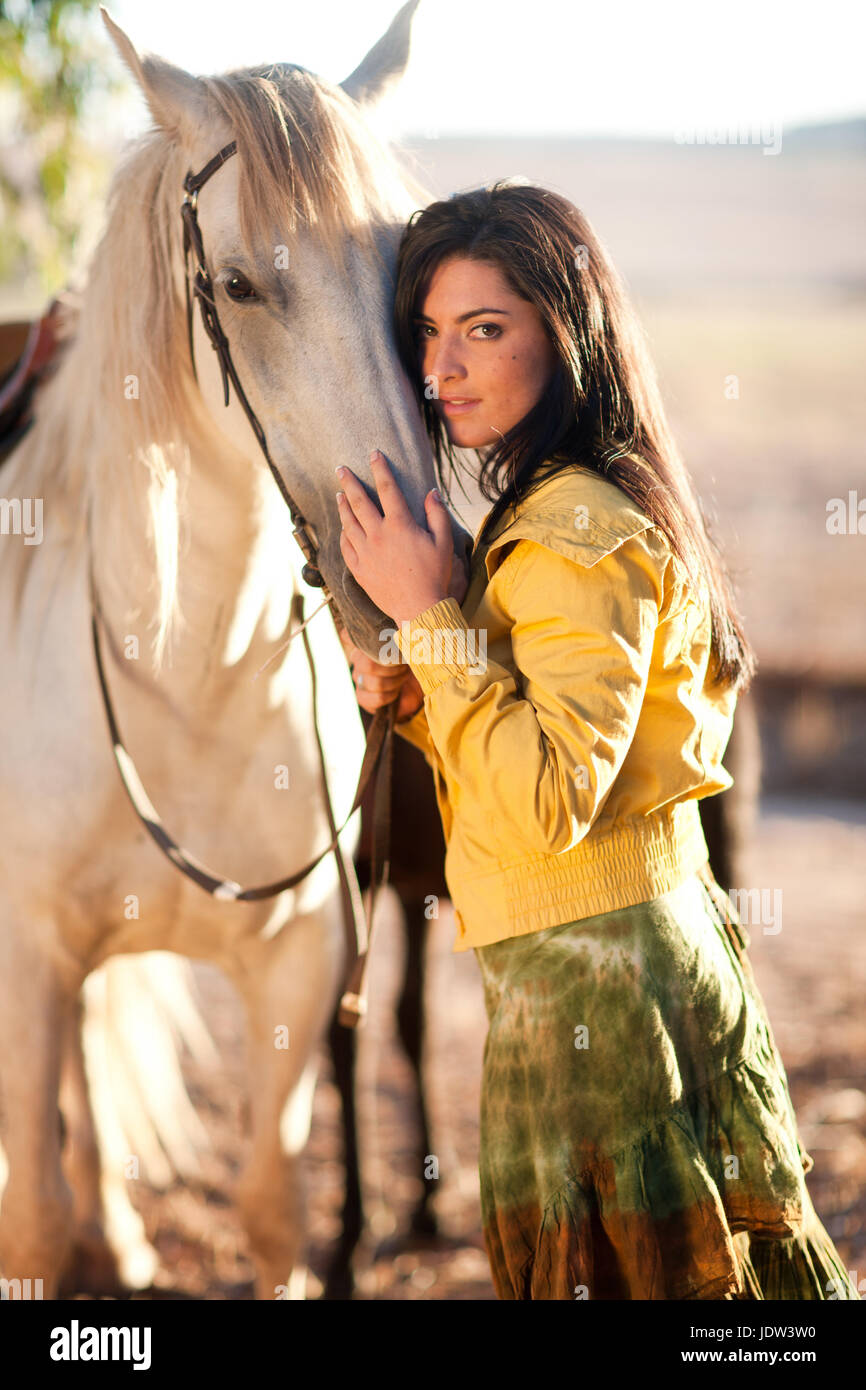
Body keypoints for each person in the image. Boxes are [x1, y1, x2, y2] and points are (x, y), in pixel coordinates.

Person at [333, 181, 858, 1301]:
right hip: (576, 985)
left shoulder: (578, 533)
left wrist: (433, 622)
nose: (444, 369)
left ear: (565, 337)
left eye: (484, 329)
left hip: (609, 1004)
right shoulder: (552, 512)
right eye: (427, 333)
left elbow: (549, 799)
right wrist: (430, 686)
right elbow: (533, 768)